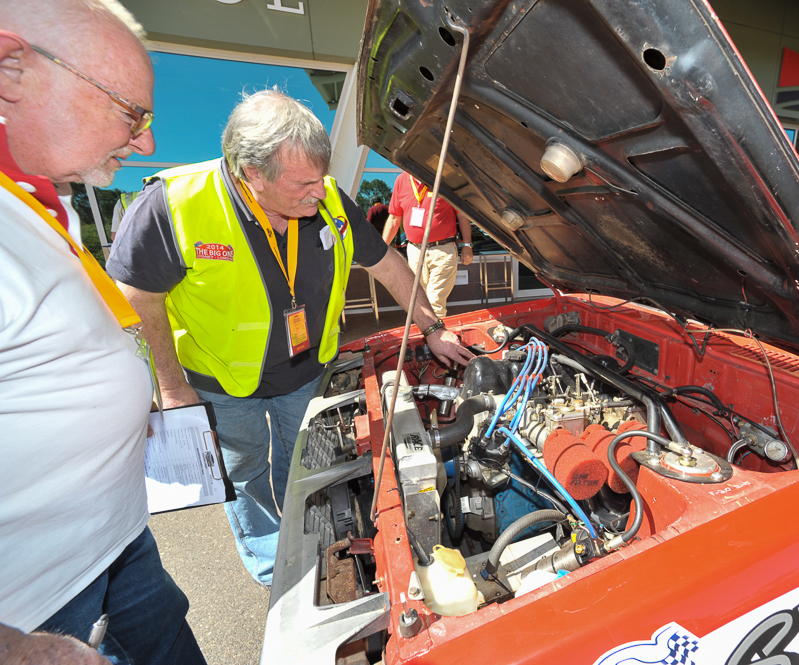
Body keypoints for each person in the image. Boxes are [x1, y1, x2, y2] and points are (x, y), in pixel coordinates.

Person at [107, 89, 475, 586]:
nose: (319, 194)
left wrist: (432, 327)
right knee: (246, 474)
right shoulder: (173, 205)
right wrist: (170, 388)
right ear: (250, 172)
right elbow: (137, 296)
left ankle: (308, 544)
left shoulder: (327, 201)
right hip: (221, 379)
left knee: (302, 466)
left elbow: (388, 264)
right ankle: (271, 570)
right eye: (302, 183)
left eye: (320, 179)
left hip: (305, 373)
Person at [0, 1, 206, 664]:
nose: (145, 143)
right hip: (35, 612)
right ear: (11, 68)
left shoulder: (30, 197)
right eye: (130, 111)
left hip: (117, 548)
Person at [382, 173, 474, 318]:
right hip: (415, 251)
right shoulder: (401, 180)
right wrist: (381, 250)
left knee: (434, 302)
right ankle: (427, 337)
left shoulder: (445, 178)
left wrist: (467, 245)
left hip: (443, 250)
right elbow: (394, 218)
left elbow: (462, 215)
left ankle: (435, 339)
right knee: (420, 301)